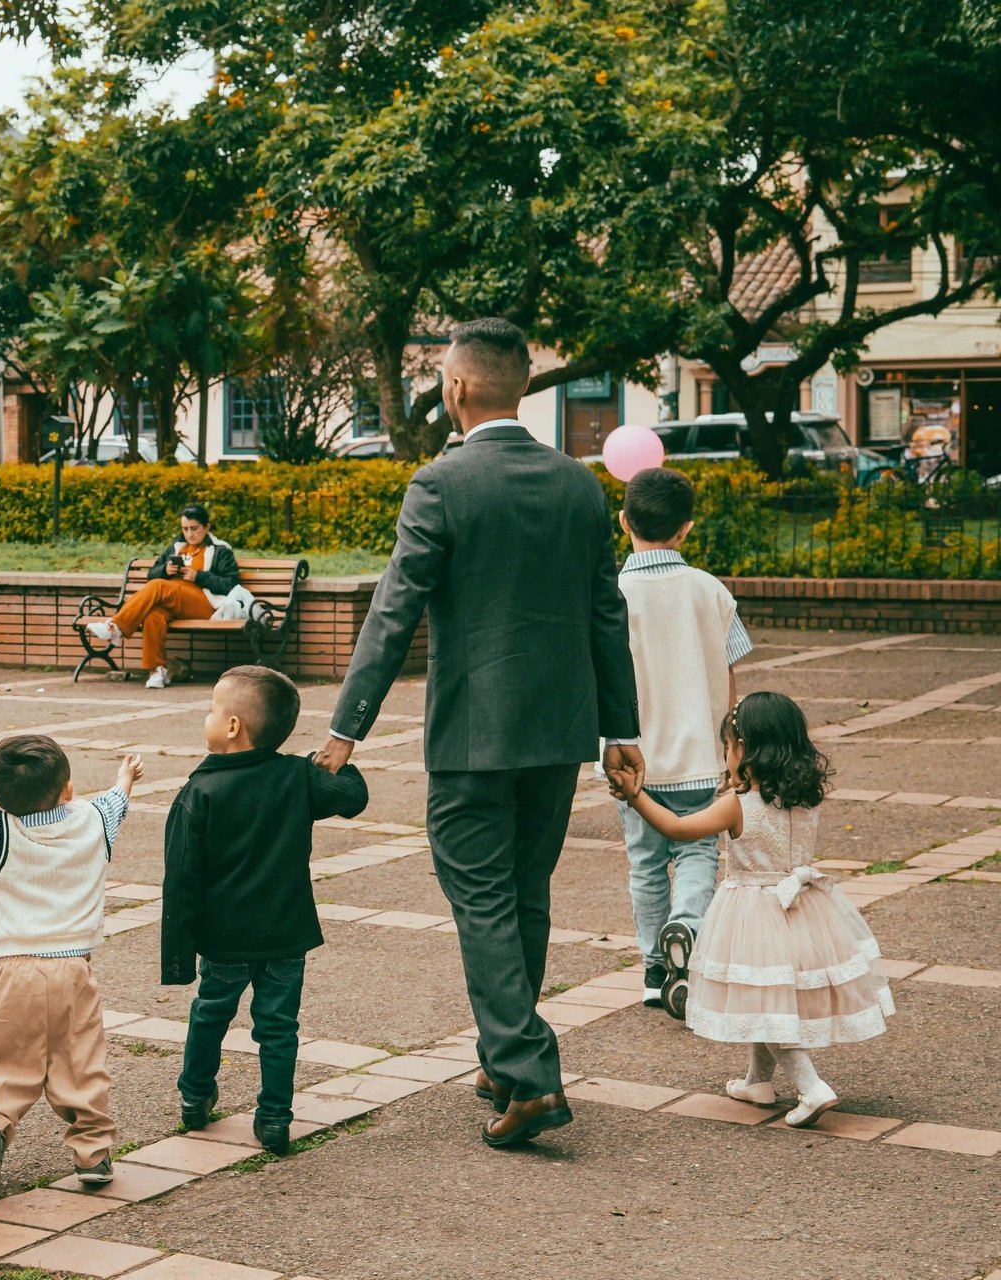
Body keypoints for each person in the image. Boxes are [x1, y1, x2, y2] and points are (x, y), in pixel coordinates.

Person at [314, 318, 641, 1149]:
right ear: (521, 387)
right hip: (560, 731)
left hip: (471, 736)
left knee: (482, 900)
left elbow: (394, 612)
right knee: (523, 896)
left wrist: (346, 727)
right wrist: (619, 729)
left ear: (456, 388)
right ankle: (503, 1061)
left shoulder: (439, 484)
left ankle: (528, 1072)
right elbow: (608, 612)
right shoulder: (580, 485)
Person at [608, 692, 892, 1128]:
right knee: (769, 996)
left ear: (746, 751)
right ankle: (757, 1080)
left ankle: (812, 1087)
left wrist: (635, 796)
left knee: (767, 1005)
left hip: (755, 914)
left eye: (728, 746)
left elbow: (678, 828)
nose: (725, 755)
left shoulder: (738, 806)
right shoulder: (806, 800)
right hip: (805, 911)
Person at [0, 730, 142, 1196]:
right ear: (68, 788)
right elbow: (118, 799)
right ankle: (93, 1152)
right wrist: (125, 776)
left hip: (15, 969)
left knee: (5, 1062)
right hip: (75, 969)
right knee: (81, 1061)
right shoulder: (95, 820)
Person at [164, 666, 369, 1154]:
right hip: (285, 936)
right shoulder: (296, 777)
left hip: (225, 939)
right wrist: (332, 761)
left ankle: (195, 1097)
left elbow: (181, 881)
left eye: (213, 708)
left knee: (210, 1014)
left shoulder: (199, 792)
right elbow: (353, 797)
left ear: (233, 726)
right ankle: (274, 1117)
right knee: (278, 1028)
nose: (208, 716)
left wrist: (179, 955)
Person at [610, 467, 753, 1017]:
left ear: (624, 522)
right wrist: (733, 746)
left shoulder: (614, 594)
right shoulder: (709, 590)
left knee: (644, 863)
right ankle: (687, 932)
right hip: (702, 756)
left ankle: (652, 968)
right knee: (698, 850)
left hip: (634, 758)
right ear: (686, 530)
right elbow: (731, 670)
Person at [82, 503, 241, 689]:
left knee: (158, 586)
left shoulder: (221, 550)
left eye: (195, 529)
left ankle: (115, 627)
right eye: (185, 529)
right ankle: (157, 671)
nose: (189, 534)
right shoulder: (176, 548)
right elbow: (152, 573)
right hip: (173, 601)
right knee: (154, 614)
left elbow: (230, 583)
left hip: (205, 604)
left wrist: (198, 576)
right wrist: (165, 570)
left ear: (207, 527)